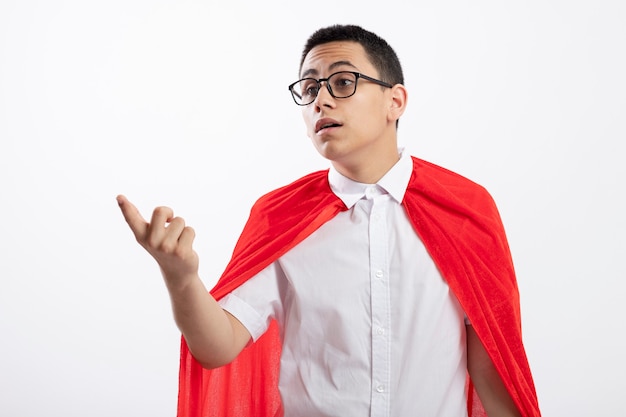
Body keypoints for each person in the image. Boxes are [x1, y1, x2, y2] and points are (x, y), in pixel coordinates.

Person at [117, 24, 541, 417]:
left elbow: (492, 367)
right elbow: (218, 348)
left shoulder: (464, 207)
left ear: (396, 101)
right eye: (309, 88)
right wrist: (181, 279)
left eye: (342, 82)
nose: (320, 100)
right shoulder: (279, 217)